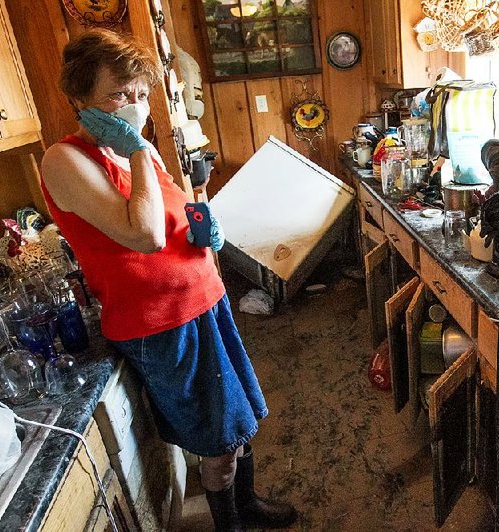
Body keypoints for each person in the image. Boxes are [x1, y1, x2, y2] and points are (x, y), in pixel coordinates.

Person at [40, 29, 296, 532]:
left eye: (140, 93)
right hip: (160, 323)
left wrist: (202, 226)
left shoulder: (141, 153)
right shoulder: (66, 160)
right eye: (118, 94)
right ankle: (232, 525)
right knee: (218, 438)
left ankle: (246, 505)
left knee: (239, 421)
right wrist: (136, 148)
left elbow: (171, 210)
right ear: (78, 98)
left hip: (206, 301)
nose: (134, 105)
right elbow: (146, 235)